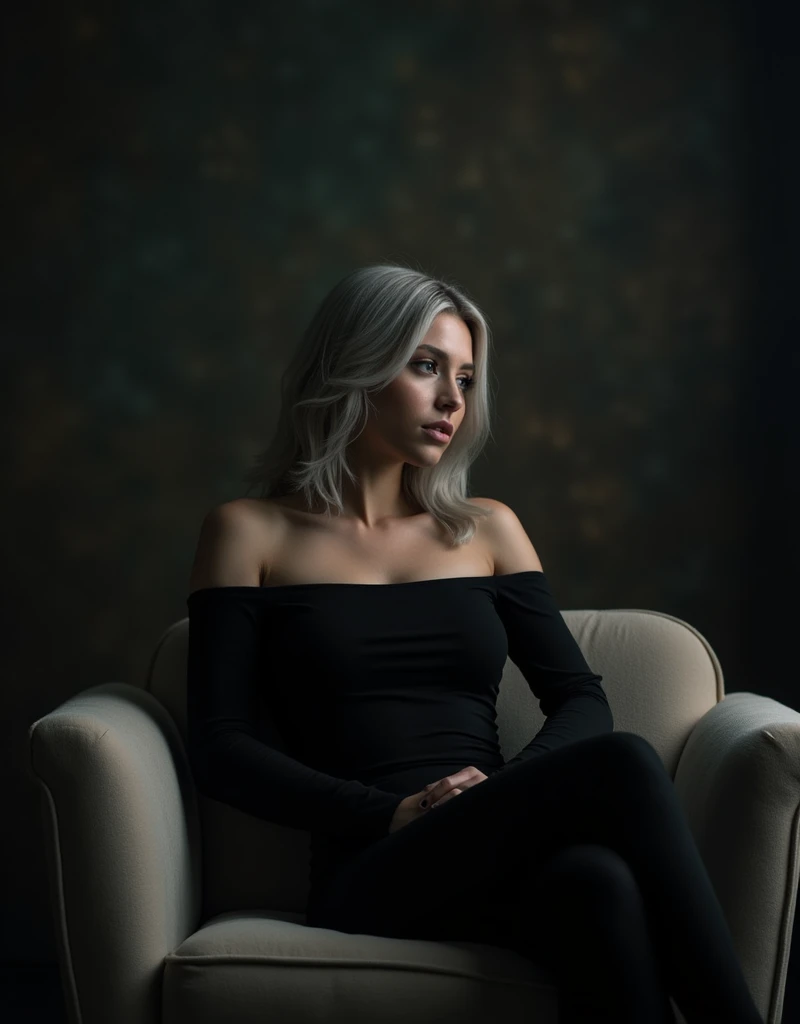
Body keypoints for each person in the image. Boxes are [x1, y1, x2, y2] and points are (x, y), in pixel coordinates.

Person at [185, 263, 763, 1023]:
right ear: (353, 366)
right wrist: (389, 812)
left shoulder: (486, 528)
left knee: (599, 883)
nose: (454, 400)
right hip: (373, 868)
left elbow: (578, 698)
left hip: (495, 846)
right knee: (622, 763)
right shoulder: (248, 532)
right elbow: (220, 746)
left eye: (465, 375)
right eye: (426, 367)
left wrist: (505, 793)